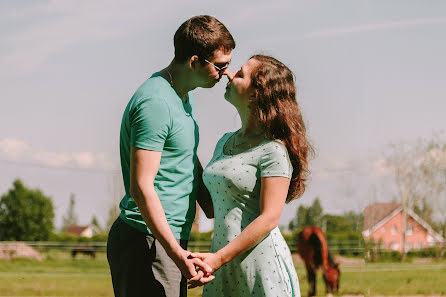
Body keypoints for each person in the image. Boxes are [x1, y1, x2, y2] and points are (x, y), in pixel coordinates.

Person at [106, 15, 235, 297]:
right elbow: (141, 186)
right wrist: (175, 252)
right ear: (194, 61)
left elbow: (184, 157)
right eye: (220, 65)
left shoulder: (181, 98)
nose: (226, 73)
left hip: (166, 241)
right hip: (148, 241)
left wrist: (211, 201)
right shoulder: (156, 102)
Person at [188, 55, 314, 297]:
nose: (229, 73)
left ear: (256, 94)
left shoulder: (273, 150)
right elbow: (213, 207)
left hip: (260, 266)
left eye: (241, 73)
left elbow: (269, 218)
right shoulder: (224, 141)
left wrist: (218, 258)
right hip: (223, 263)